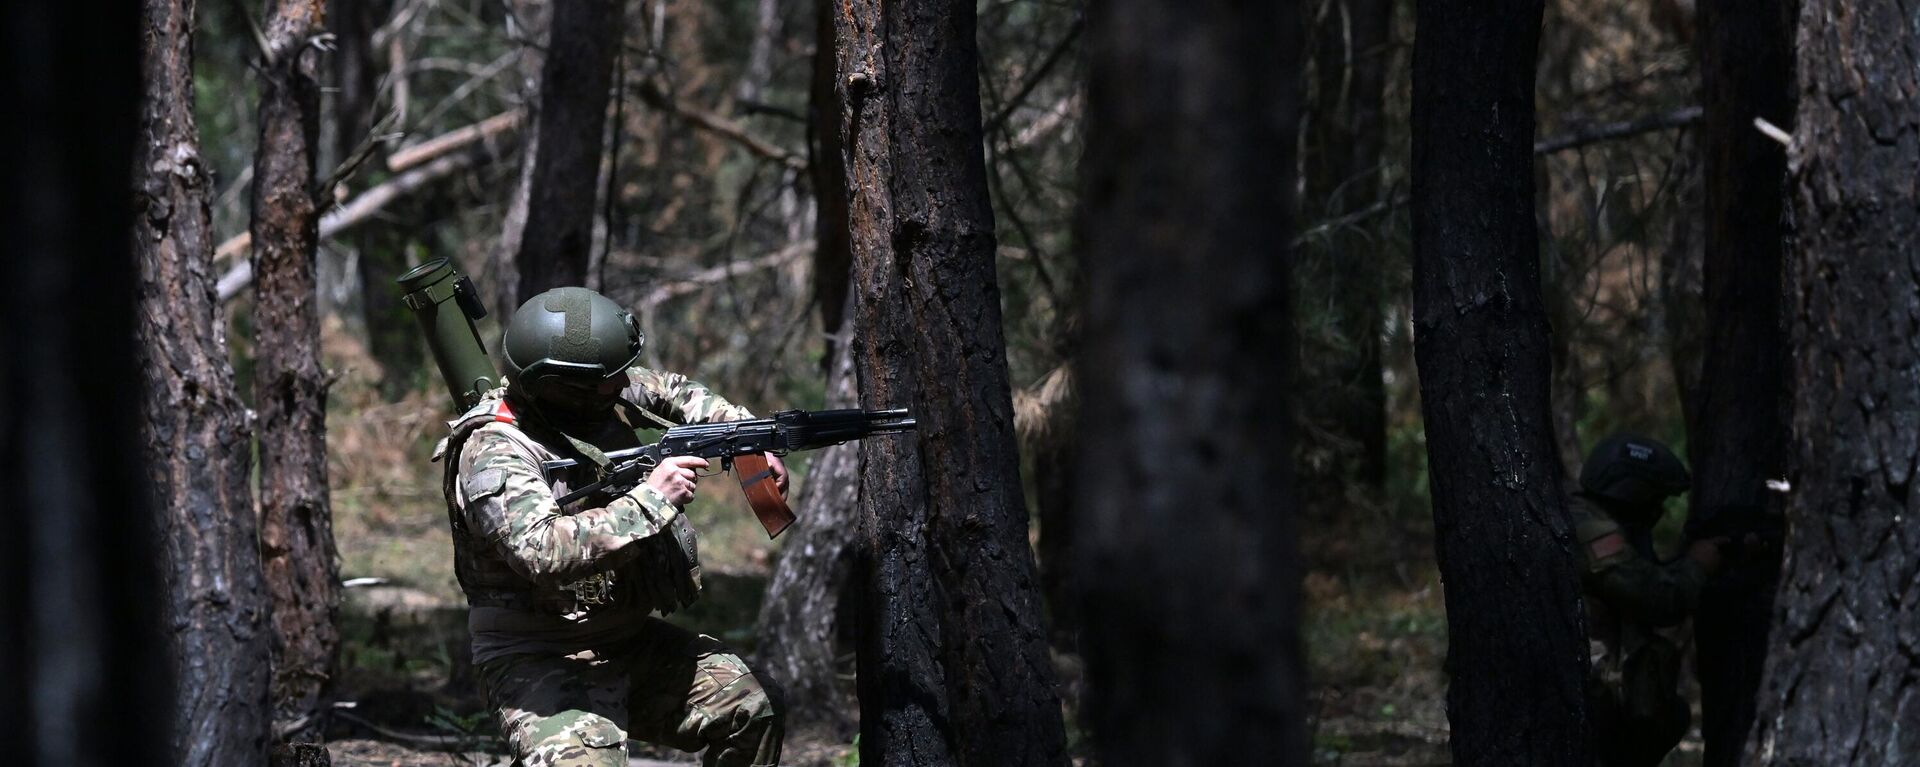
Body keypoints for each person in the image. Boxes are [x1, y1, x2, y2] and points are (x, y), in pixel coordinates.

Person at [437, 286, 788, 767]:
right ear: (557, 386)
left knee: (753, 706)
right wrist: (651, 501)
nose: (621, 386)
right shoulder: (494, 449)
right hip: (536, 656)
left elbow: (678, 393)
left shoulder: (598, 390)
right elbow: (542, 552)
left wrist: (748, 438)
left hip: (627, 641)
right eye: (607, 382)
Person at [1571, 433, 1726, 767]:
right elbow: (1657, 598)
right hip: (1581, 702)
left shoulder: (1593, 520)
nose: (1657, 513)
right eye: (1654, 501)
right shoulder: (1589, 527)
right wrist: (1699, 564)